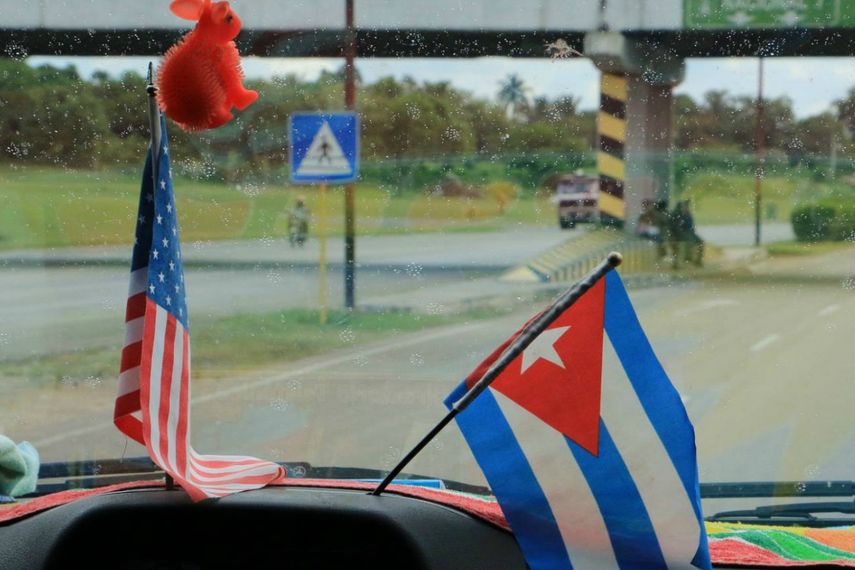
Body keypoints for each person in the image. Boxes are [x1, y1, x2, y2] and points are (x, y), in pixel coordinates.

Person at [670, 200, 704, 268]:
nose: (687, 207)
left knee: (700, 242)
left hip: (689, 233)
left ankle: (697, 260)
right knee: (687, 243)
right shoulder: (677, 214)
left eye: (687, 206)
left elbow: (691, 226)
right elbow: (675, 227)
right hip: (680, 234)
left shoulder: (688, 214)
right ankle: (686, 259)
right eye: (685, 206)